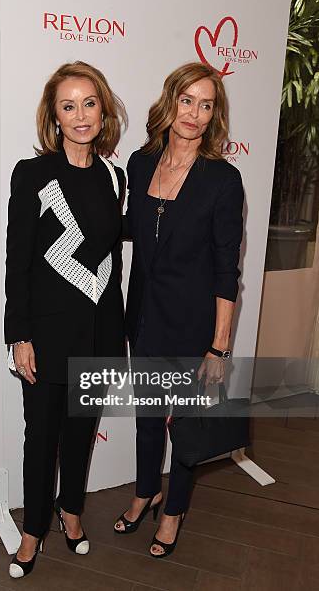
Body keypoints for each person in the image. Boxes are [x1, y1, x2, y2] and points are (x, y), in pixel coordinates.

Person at [114, 62, 244, 558]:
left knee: (185, 425)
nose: (194, 113)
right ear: (170, 101)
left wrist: (219, 346)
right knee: (147, 418)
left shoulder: (222, 181)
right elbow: (134, 228)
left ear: (214, 116)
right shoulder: (141, 164)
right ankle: (147, 490)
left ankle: (174, 511)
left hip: (193, 328)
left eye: (206, 105)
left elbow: (225, 269)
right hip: (145, 317)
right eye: (187, 100)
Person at [4, 61, 127, 578]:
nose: (80, 115)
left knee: (81, 433)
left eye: (89, 103)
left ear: (103, 109)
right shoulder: (32, 175)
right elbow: (19, 261)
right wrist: (19, 335)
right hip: (48, 335)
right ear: (53, 116)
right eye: (68, 105)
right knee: (42, 435)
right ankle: (34, 528)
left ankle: (70, 512)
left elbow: (113, 267)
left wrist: (118, 338)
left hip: (98, 332)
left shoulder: (116, 177)